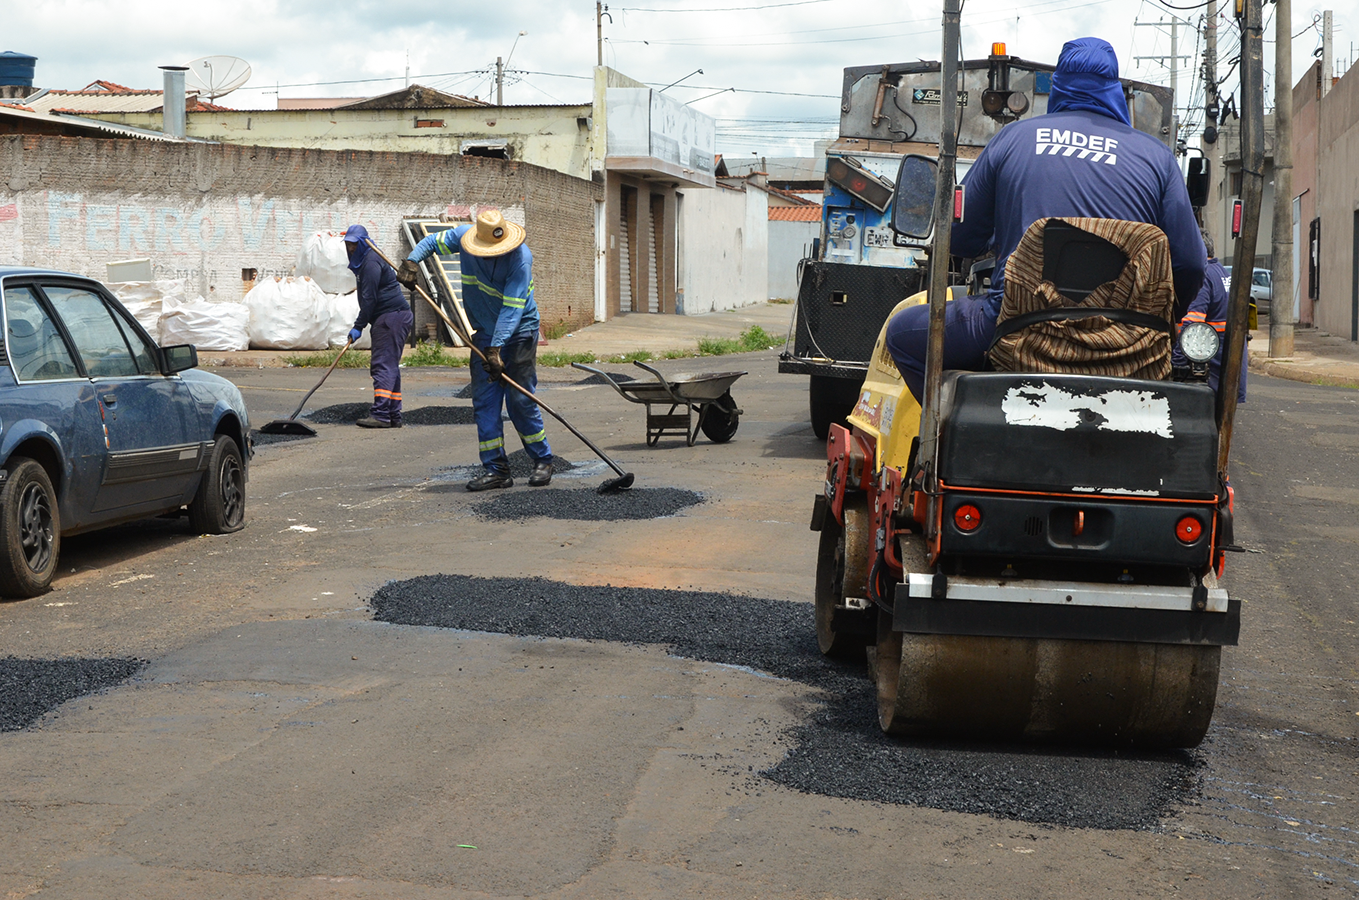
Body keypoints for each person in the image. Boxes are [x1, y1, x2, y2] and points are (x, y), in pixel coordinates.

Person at [885, 37, 1206, 401]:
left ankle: (958, 436)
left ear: (1059, 86)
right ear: (1114, 89)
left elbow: (958, 238)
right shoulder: (1158, 157)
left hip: (1019, 329)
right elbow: (1191, 264)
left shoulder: (1012, 140)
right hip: (1129, 344)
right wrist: (1153, 323)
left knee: (902, 336)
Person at [397, 210, 553, 490]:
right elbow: (431, 242)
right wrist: (412, 262)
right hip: (483, 334)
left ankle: (542, 459)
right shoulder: (463, 237)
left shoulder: (520, 259)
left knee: (519, 401)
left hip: (519, 333)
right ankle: (496, 470)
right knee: (485, 403)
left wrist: (497, 348)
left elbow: (511, 309)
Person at [343, 225, 414, 428]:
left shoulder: (371, 262)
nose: (350, 249)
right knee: (390, 366)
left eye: (354, 245)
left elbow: (369, 298)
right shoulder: (367, 260)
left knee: (382, 365)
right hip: (391, 318)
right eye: (348, 245)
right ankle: (393, 414)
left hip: (390, 319)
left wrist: (358, 326)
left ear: (363, 243)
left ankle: (381, 414)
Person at [1173, 230, 1247, 402]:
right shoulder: (1221, 272)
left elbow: (1192, 326)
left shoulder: (1204, 277)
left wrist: (1176, 361)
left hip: (1211, 369)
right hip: (1228, 362)